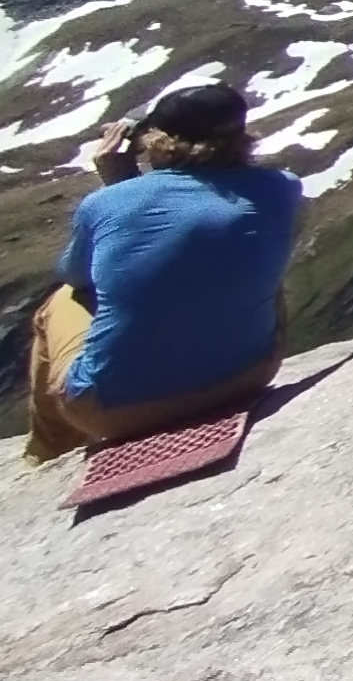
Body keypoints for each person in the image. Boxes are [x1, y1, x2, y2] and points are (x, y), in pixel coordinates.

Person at [26, 83, 298, 464]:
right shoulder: (282, 187)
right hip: (249, 376)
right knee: (252, 268)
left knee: (60, 302)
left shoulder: (106, 203)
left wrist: (120, 183)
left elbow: (77, 275)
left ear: (158, 142)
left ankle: (47, 453)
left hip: (113, 412)